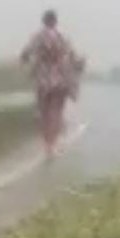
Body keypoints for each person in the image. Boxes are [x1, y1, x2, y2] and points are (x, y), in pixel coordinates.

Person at [20, 10, 85, 159]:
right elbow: (74, 58)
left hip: (42, 78)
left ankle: (46, 145)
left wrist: (30, 64)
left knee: (44, 113)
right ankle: (52, 146)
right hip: (61, 78)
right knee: (56, 112)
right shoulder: (64, 37)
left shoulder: (37, 36)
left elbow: (25, 54)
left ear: (44, 21)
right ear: (55, 21)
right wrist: (78, 65)